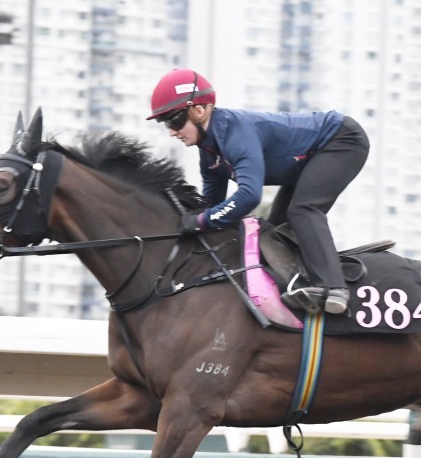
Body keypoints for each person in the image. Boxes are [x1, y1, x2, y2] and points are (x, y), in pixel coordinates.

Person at [147, 68, 369, 315]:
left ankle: (333, 288)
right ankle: (300, 283)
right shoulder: (209, 155)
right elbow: (210, 206)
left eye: (175, 120)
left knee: (303, 210)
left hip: (341, 140)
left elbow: (249, 196)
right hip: (306, 161)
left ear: (199, 111)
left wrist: (200, 221)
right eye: (165, 123)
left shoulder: (235, 133)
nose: (171, 131)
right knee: (273, 232)